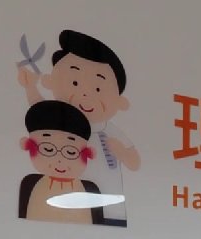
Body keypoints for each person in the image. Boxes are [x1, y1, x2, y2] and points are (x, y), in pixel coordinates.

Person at [19, 30, 139, 227]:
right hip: (66, 205)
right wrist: (30, 87)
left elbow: (134, 163)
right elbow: (41, 112)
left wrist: (122, 153)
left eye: (98, 89)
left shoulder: (110, 131)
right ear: (50, 81)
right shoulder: (61, 123)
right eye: (75, 82)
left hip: (111, 207)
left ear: (120, 101)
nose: (85, 95)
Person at [18, 100, 104, 225]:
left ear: (87, 153)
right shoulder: (32, 186)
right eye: (48, 149)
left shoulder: (89, 190)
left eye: (71, 152)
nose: (59, 160)